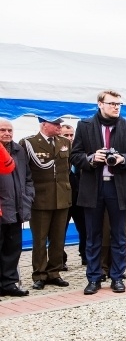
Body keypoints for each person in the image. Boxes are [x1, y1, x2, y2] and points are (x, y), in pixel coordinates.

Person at [71, 90, 126, 294]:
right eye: (112, 103)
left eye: (119, 104)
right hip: (93, 187)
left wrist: (123, 159)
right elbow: (75, 156)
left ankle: (117, 277)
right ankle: (93, 278)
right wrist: (91, 158)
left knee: (119, 235)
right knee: (93, 235)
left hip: (119, 186)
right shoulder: (84, 126)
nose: (116, 107)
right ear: (100, 104)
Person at [21, 116, 72, 290]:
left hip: (62, 197)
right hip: (40, 199)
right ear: (44, 125)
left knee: (58, 239)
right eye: (55, 124)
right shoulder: (29, 143)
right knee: (40, 239)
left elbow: (69, 167)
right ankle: (39, 274)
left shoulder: (64, 142)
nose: (59, 127)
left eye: (59, 124)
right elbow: (24, 171)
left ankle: (54, 272)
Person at [0, 119, 34, 297]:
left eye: (9, 130)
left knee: (13, 248)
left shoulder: (18, 150)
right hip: (1, 209)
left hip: (16, 209)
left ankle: (9, 283)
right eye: (2, 130)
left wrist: (27, 198)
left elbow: (28, 178)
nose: (7, 133)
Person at [60, 124, 87, 267]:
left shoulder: (80, 151)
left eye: (71, 135)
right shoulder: (57, 151)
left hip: (80, 197)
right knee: (60, 231)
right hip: (63, 198)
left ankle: (85, 255)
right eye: (66, 135)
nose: (70, 138)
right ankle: (60, 260)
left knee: (85, 228)